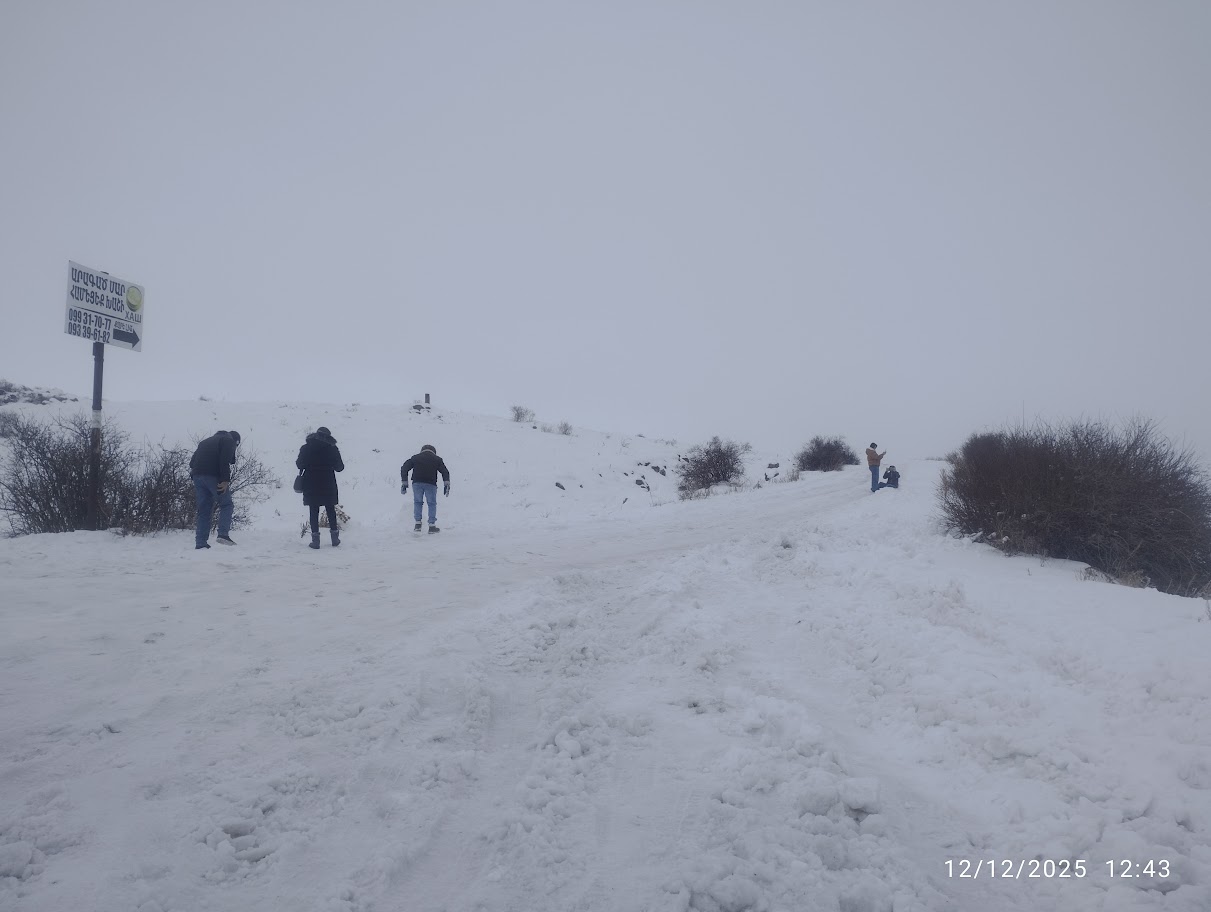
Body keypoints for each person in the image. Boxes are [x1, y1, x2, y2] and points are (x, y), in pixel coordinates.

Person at [190, 429, 240, 548]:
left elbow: (192, 463)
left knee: (204, 510)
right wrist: (225, 480)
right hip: (213, 476)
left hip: (197, 476)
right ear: (236, 442)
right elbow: (224, 461)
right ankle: (223, 534)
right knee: (226, 504)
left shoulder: (204, 442)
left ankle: (201, 543)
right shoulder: (228, 440)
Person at [296, 426, 345, 549]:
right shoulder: (332, 449)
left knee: (313, 510)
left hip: (311, 482)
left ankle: (315, 541)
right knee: (330, 509)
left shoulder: (306, 448)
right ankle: (335, 539)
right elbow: (340, 468)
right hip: (328, 482)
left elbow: (299, 464)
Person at [401, 444, 451, 533]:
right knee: (431, 503)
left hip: (417, 483)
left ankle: (417, 524)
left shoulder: (415, 458)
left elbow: (404, 468)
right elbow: (445, 472)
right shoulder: (437, 459)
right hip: (430, 484)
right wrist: (446, 484)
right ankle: (431, 526)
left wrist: (404, 482)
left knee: (418, 502)